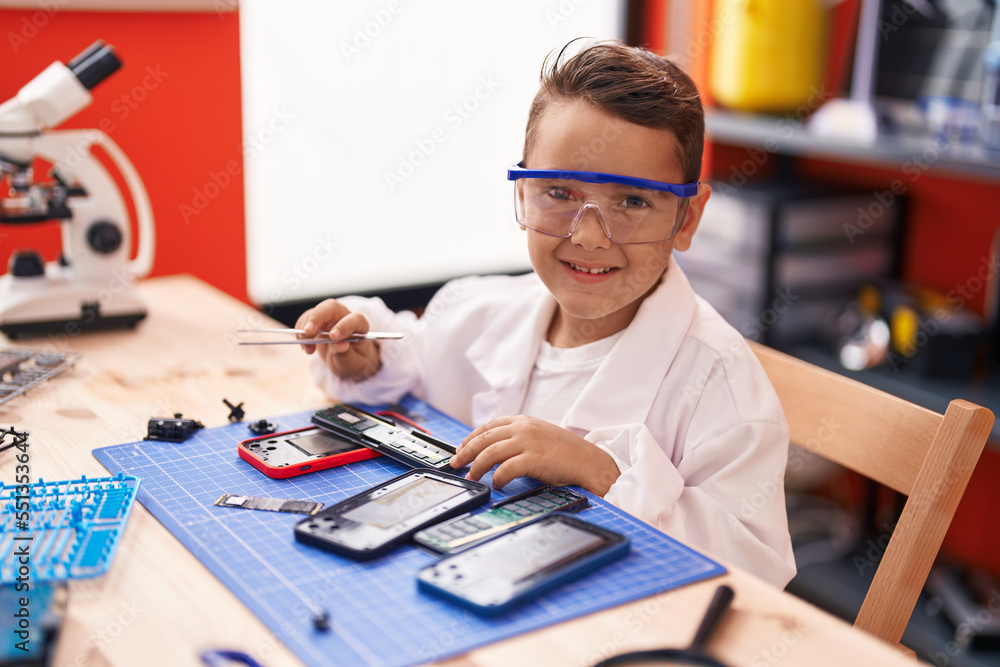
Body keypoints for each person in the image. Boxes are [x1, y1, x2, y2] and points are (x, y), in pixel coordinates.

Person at [296, 40, 796, 588]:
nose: (588, 236)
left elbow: (754, 574)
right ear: (523, 192)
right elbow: (410, 356)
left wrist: (605, 475)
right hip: (471, 587)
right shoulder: (479, 308)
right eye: (559, 192)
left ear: (686, 218)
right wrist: (365, 360)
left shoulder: (721, 387)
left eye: (632, 202)